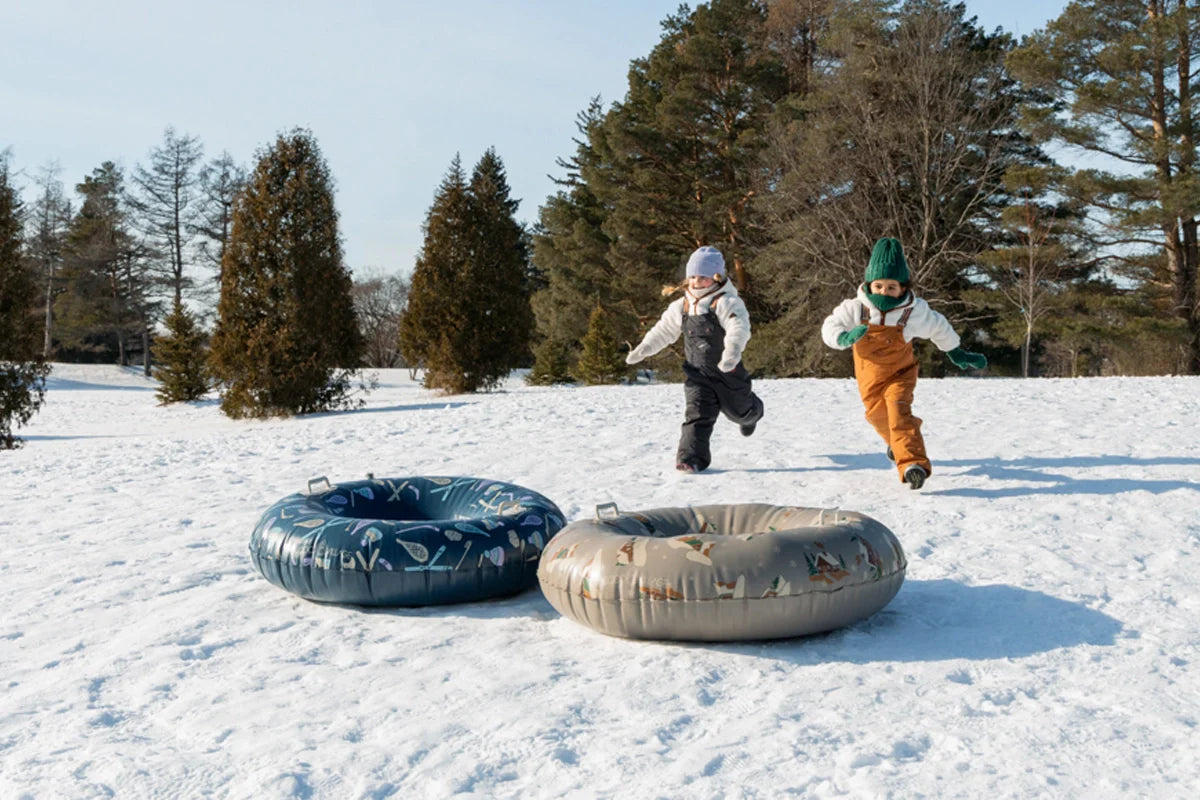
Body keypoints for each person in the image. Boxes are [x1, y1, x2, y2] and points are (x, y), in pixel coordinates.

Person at [821, 237, 987, 490]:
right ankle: (896, 444)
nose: (884, 292)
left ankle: (913, 464)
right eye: (878, 286)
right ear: (869, 284)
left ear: (902, 288)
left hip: (901, 373)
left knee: (899, 413)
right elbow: (829, 327)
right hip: (869, 379)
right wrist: (843, 337)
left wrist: (955, 351)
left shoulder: (913, 312)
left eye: (891, 287)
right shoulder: (856, 309)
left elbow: (938, 327)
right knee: (877, 417)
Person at [626, 245, 764, 473]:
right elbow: (663, 331)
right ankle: (691, 459)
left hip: (728, 372)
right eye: (692, 276)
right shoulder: (682, 306)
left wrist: (731, 352)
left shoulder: (727, 302)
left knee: (741, 412)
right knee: (696, 415)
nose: (696, 281)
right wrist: (644, 349)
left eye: (703, 277)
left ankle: (752, 416)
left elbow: (738, 328)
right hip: (697, 375)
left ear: (716, 277)